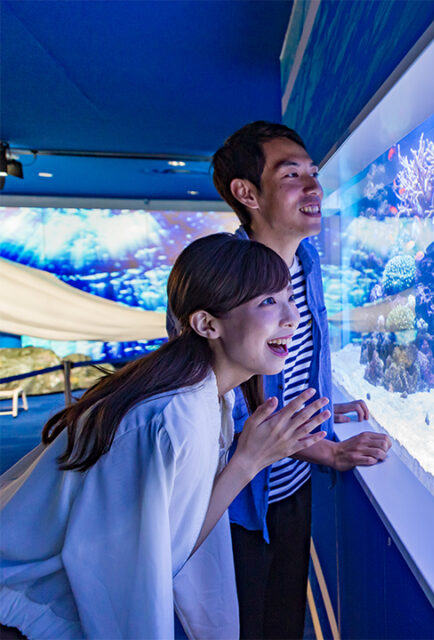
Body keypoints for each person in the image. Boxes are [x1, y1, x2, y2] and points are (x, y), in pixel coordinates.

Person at [0, 233, 331, 639]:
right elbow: (155, 560)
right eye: (267, 302)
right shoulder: (179, 415)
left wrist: (251, 456)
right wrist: (248, 461)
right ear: (207, 323)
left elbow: (168, 535)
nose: (292, 317)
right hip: (26, 612)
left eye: (288, 297)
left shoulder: (202, 392)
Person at [212, 121, 391, 639]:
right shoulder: (227, 278)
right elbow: (230, 407)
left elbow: (286, 364)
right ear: (246, 193)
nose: (314, 187)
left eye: (314, 173)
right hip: (241, 498)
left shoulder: (305, 260)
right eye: (292, 174)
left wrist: (320, 409)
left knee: (286, 618)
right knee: (245, 624)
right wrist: (330, 452)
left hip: (293, 483)